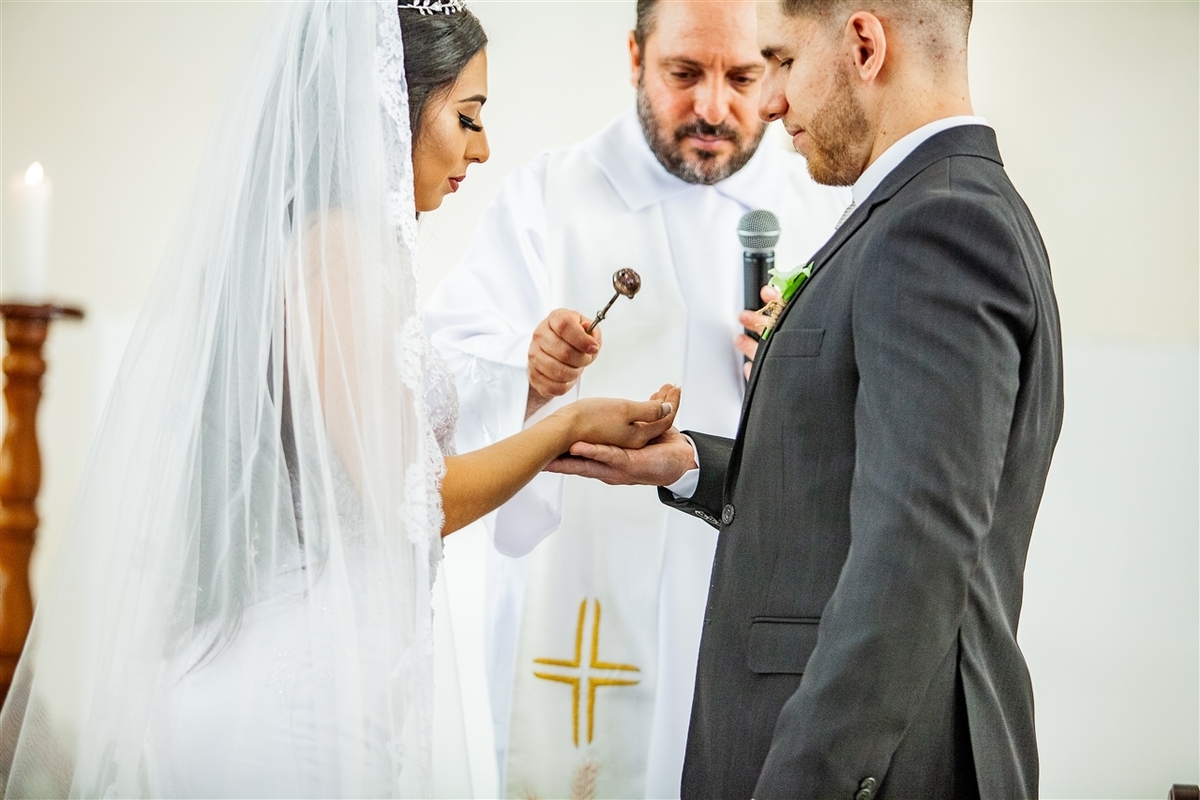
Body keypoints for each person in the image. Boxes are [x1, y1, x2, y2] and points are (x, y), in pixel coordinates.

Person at [0, 1, 679, 797]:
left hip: (309, 670)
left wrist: (533, 385)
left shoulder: (322, 246)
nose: (483, 147)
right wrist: (569, 424)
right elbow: (411, 499)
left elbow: (380, 434)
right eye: (467, 117)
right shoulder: (341, 254)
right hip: (296, 696)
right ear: (391, 106)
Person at [550, 0, 1064, 797]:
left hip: (877, 766)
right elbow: (862, 480)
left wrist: (805, 781)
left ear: (864, 44)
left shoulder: (940, 226)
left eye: (783, 62)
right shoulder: (930, 209)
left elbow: (914, 554)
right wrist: (688, 464)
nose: (769, 101)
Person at [423, 1, 848, 795]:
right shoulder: (551, 194)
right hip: (582, 591)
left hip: (753, 597)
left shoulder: (824, 207)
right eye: (684, 74)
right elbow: (439, 375)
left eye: (742, 78)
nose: (713, 107)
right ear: (634, 58)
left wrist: (801, 374)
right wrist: (531, 370)